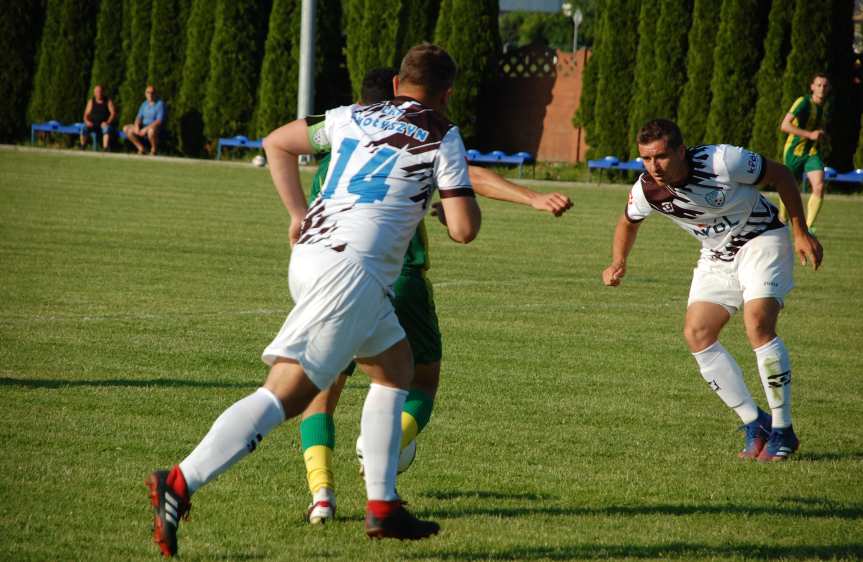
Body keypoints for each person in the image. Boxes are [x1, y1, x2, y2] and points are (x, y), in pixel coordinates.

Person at [146, 43, 481, 557]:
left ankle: (383, 506)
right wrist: (446, 205)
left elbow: (276, 143)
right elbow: (462, 229)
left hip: (312, 256)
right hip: (353, 272)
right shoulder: (443, 133)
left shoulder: (349, 116)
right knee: (286, 395)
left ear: (396, 84)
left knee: (395, 366)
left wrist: (298, 211)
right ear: (447, 95)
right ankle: (179, 481)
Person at [298, 68, 573, 525]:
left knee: (323, 389)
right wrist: (528, 198)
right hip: (396, 276)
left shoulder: (338, 145)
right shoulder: (411, 136)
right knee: (419, 382)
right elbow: (466, 177)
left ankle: (322, 497)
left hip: (324, 275)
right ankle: (382, 446)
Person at [602, 119, 822, 463]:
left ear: (680, 150)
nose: (653, 167)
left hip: (761, 238)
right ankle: (755, 423)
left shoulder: (723, 161)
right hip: (717, 255)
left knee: (757, 324)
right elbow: (628, 221)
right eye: (645, 159)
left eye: (660, 157)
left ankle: (783, 430)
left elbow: (780, 175)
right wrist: (618, 261)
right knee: (697, 333)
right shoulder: (647, 189)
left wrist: (800, 231)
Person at [779, 73, 831, 229]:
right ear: (812, 87)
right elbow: (784, 125)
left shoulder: (823, 106)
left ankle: (807, 229)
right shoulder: (803, 102)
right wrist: (810, 134)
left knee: (819, 186)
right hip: (794, 150)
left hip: (811, 152)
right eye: (819, 85)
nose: (822, 88)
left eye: (825, 85)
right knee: (788, 186)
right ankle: (782, 218)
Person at [123, 85, 165, 155]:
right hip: (143, 126)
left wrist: (146, 129)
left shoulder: (160, 104)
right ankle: (141, 149)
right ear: (145, 94)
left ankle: (154, 150)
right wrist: (136, 126)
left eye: (152, 93)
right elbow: (139, 117)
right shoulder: (144, 104)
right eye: (148, 92)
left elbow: (159, 121)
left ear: (155, 94)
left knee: (151, 131)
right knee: (126, 128)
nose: (150, 95)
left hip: (154, 127)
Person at [79, 84, 116, 151]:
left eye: (100, 91)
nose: (98, 93)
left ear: (103, 92)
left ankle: (105, 148)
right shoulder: (91, 102)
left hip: (103, 124)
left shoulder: (108, 101)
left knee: (106, 129)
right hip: (92, 124)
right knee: (83, 128)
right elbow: (85, 114)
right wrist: (87, 121)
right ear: (94, 93)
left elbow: (113, 114)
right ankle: (83, 146)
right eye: (96, 92)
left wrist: (107, 122)